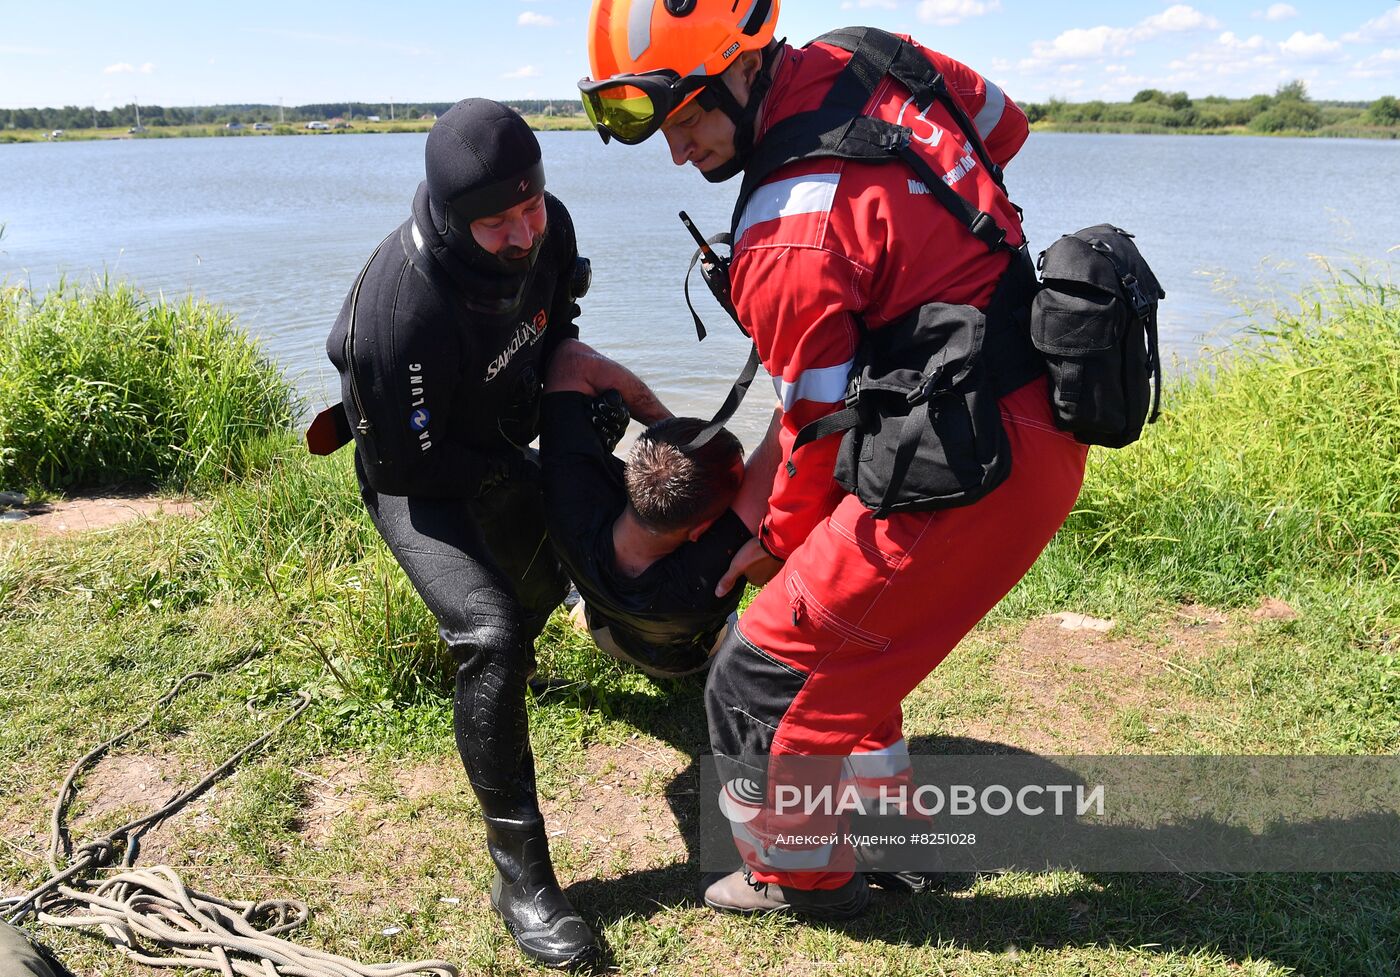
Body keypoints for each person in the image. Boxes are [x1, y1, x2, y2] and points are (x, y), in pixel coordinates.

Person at [579, 2, 1089, 918]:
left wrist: (772, 545)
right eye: (660, 127)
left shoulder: (786, 233)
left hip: (965, 468)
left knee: (760, 671)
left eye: (687, 116)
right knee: (853, 648)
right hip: (1028, 410)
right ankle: (895, 833)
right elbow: (1004, 127)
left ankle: (797, 875)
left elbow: (811, 432)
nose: (677, 149)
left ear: (742, 68)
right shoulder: (881, 55)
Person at [322, 99, 598, 969]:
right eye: (497, 222)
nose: (523, 233)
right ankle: (521, 877)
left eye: (533, 207)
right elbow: (421, 470)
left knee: (599, 519)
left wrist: (576, 436)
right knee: (491, 631)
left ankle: (658, 643)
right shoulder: (400, 317)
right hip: (419, 473)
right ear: (447, 217)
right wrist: (523, 481)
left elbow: (561, 328)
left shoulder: (544, 234)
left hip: (500, 425)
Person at [539, 339, 781, 679]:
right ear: (700, 531)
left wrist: (681, 449)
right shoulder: (708, 579)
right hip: (685, 660)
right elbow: (788, 428)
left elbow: (569, 358)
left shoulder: (569, 509)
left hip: (607, 635)